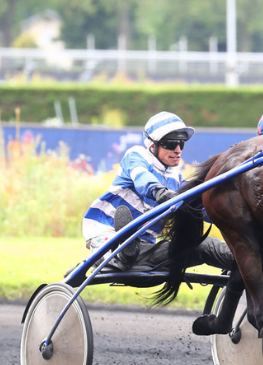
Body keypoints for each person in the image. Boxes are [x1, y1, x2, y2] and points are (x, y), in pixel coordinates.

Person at [82, 111, 235, 272]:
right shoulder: (136, 156)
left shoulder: (175, 179)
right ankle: (120, 252)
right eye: (171, 143)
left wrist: (229, 216)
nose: (178, 149)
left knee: (205, 246)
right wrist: (159, 192)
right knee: (120, 247)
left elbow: (201, 210)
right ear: (152, 145)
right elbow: (142, 178)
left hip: (145, 250)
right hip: (105, 234)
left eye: (181, 143)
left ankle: (251, 262)